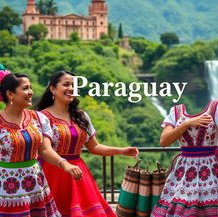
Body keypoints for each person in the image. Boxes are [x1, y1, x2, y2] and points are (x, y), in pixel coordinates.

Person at [35, 70, 139, 217]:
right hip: (52, 172)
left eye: (74, 85)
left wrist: (121, 150)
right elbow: (44, 150)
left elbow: (95, 147)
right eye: (66, 84)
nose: (71, 88)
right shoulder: (41, 116)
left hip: (78, 173)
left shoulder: (81, 116)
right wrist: (65, 164)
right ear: (52, 88)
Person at [0, 66, 83, 216]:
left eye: (31, 87)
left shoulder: (38, 118)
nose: (31, 92)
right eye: (25, 88)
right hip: (6, 187)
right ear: (10, 94)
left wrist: (65, 164)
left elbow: (45, 150)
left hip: (35, 183)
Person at [150, 98, 218, 217]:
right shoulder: (175, 111)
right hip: (185, 171)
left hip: (213, 171)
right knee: (181, 207)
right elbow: (164, 142)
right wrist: (187, 124)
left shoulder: (217, 108)